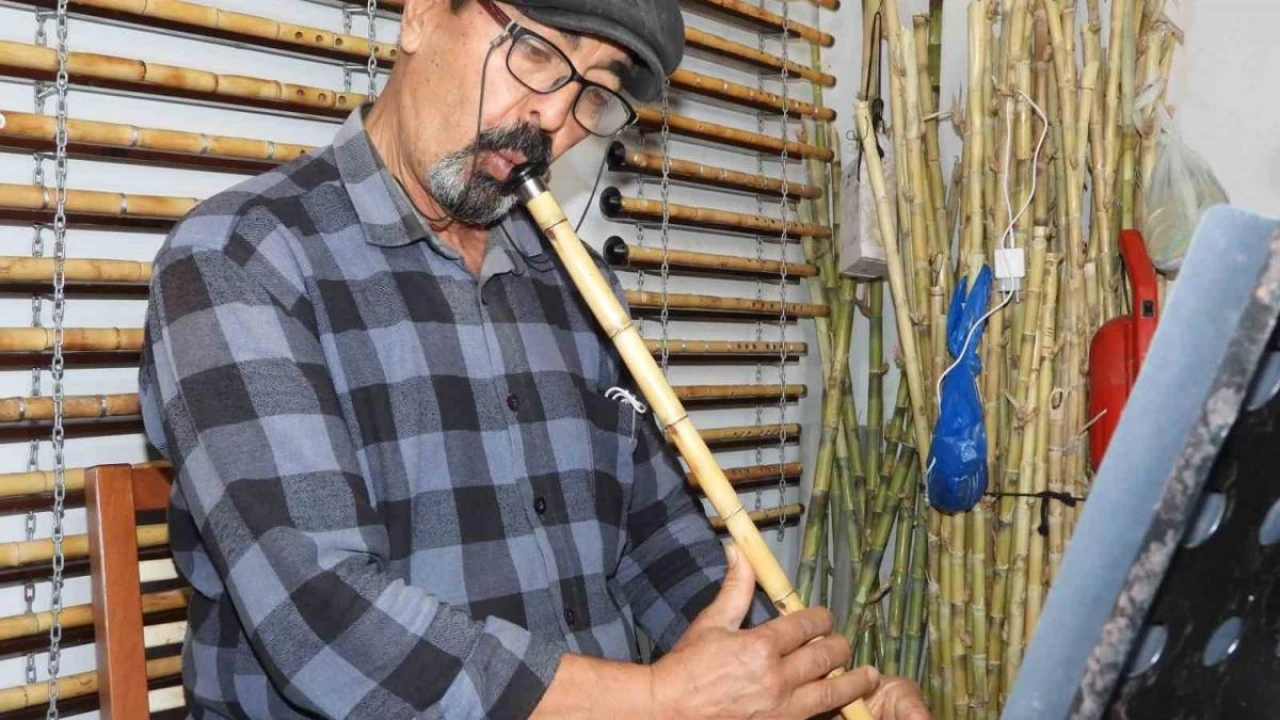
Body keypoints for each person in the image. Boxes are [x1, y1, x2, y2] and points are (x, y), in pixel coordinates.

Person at [138, 0, 931, 718]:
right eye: (537, 52)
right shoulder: (238, 260)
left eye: (595, 90)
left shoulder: (576, 287)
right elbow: (326, 620)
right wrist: (655, 701)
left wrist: (806, 689)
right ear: (420, 15)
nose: (553, 117)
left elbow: (661, 542)